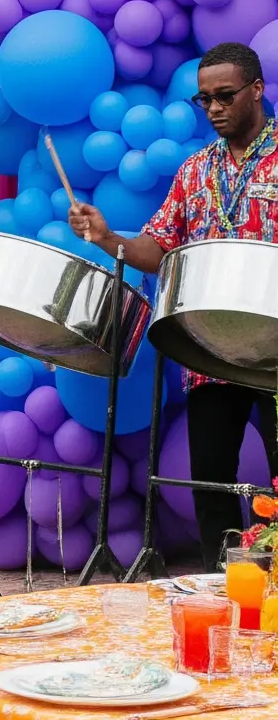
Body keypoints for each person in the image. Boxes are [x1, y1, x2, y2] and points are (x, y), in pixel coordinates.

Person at [69, 39, 278, 568]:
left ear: (256, 90)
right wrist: (106, 237)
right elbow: (156, 248)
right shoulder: (195, 171)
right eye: (202, 100)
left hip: (275, 341)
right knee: (210, 476)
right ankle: (221, 584)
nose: (213, 109)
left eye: (225, 96)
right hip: (212, 346)